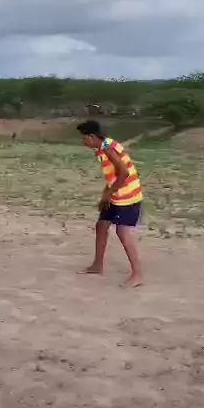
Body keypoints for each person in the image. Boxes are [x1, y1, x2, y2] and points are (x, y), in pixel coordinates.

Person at [76, 120, 143, 287]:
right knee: (101, 225)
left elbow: (124, 173)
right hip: (116, 195)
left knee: (122, 232)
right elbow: (113, 175)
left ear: (92, 136)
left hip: (127, 196)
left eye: (84, 138)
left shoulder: (108, 149)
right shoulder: (102, 147)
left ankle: (137, 275)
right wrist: (106, 195)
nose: (83, 142)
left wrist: (108, 194)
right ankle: (97, 265)